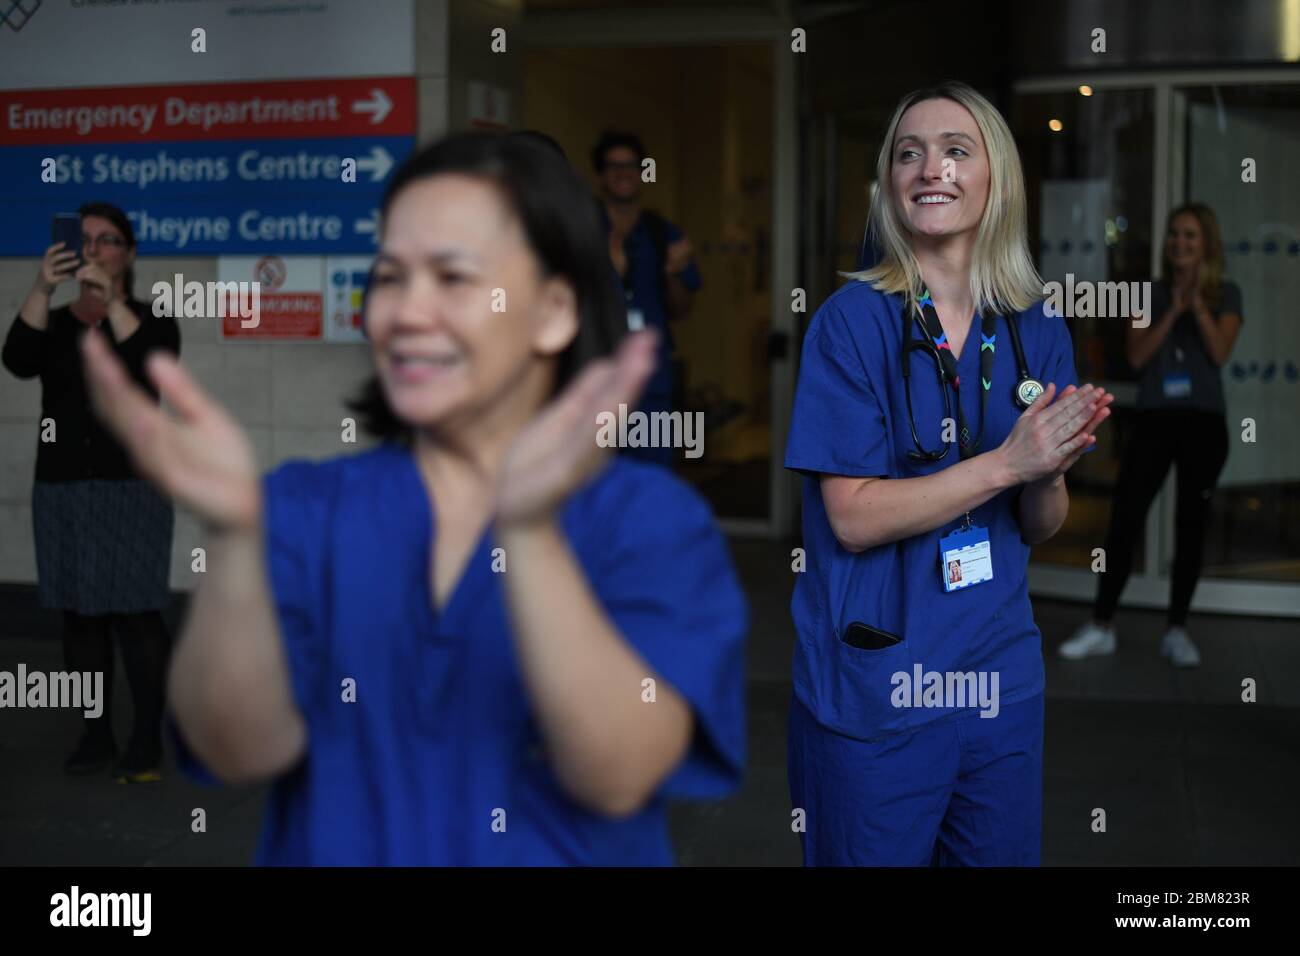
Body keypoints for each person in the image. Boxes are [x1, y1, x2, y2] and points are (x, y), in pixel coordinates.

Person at [80, 131, 747, 866]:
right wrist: (236, 539)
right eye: (391, 276)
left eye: (454, 277)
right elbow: (236, 747)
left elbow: (620, 774)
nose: (406, 312)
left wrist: (528, 535)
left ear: (554, 309)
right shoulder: (306, 506)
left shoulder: (650, 522)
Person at [784, 81, 1114, 866]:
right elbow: (854, 517)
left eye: (955, 150)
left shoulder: (1035, 325)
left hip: (998, 678)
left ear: (995, 176)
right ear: (892, 182)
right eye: (909, 152)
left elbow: (1041, 522)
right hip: (877, 685)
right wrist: (1009, 462)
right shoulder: (851, 324)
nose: (930, 167)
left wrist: (1047, 470)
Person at [2, 202, 180, 782]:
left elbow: (147, 365)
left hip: (131, 487)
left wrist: (112, 300)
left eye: (107, 240)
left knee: (135, 615)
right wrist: (41, 287)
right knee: (79, 618)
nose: (94, 249)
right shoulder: (53, 322)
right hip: (62, 489)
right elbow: (17, 360)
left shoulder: (153, 318)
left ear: (128, 253)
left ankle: (146, 742)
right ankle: (96, 735)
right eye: (85, 241)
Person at [1060, 203, 1243, 668]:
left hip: (1203, 423)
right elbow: (1138, 357)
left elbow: (1220, 352)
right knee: (1125, 517)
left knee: (1191, 524)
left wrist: (1196, 304)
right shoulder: (1146, 294)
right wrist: (1172, 309)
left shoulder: (1227, 294)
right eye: (1173, 235)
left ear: (1207, 245)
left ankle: (1176, 630)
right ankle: (1102, 625)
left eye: (1189, 236)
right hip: (1155, 419)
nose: (1178, 243)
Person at [592, 130, 702, 466]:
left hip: (650, 383)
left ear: (643, 172)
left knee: (650, 480)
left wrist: (671, 272)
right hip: (594, 379)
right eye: (613, 167)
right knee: (593, 484)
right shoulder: (582, 231)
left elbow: (682, 309)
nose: (623, 173)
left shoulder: (662, 233)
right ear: (600, 176)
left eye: (632, 165)